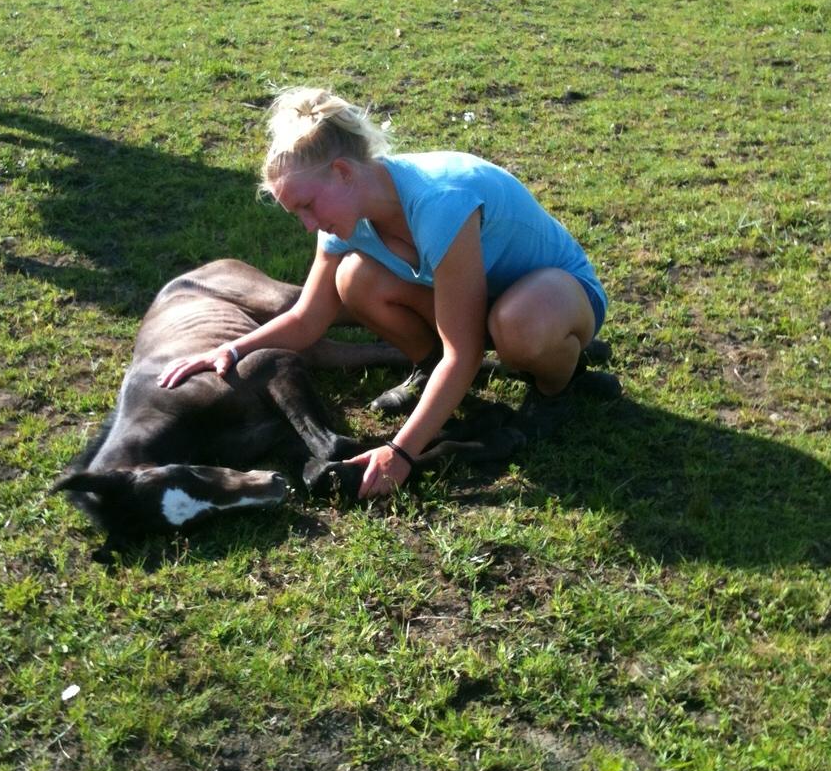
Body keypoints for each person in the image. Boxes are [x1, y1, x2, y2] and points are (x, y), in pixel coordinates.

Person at [158, 87, 611, 499]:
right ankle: (427, 371)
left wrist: (400, 453)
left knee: (517, 328)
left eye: (308, 206)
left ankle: (559, 385)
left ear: (342, 172)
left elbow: (465, 350)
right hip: (482, 303)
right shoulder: (344, 220)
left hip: (560, 299)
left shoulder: (438, 203)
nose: (308, 224)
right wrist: (231, 350)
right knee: (355, 278)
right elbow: (308, 318)